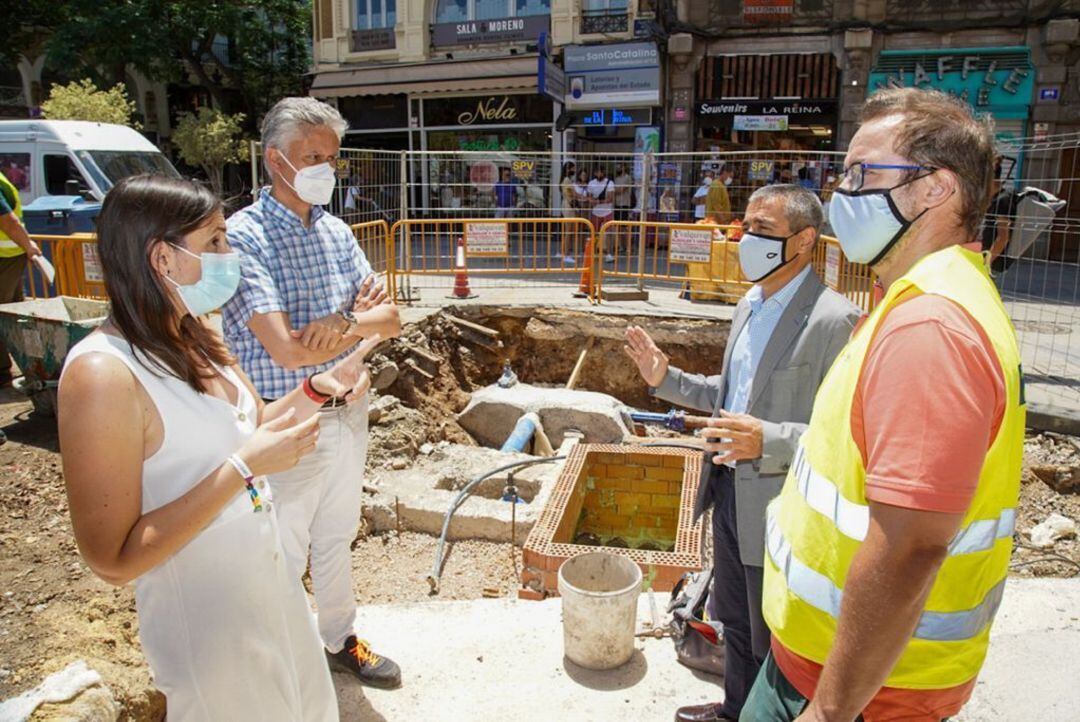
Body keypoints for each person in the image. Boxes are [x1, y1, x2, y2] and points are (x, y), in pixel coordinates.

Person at [744, 87, 1026, 722]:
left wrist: (831, 709)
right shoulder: (918, 298)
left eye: (862, 174)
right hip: (834, 667)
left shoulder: (930, 327)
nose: (844, 193)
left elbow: (909, 546)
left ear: (934, 190)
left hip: (861, 693)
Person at [58, 174, 384, 720]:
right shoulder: (100, 374)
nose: (228, 253)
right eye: (214, 241)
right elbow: (111, 559)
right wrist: (242, 469)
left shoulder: (198, 336)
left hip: (272, 596)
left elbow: (254, 427)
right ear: (163, 259)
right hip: (209, 631)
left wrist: (318, 390)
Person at [625, 184, 861, 722]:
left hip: (781, 507)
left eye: (763, 230)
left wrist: (770, 440)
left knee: (772, 632)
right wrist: (666, 378)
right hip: (729, 490)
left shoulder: (833, 321)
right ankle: (735, 709)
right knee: (734, 616)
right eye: (745, 225)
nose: (745, 238)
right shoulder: (749, 304)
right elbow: (731, 397)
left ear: (803, 241)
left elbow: (849, 435)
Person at [222, 97, 404, 689]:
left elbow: (393, 319)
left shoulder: (334, 230)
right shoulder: (243, 238)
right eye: (313, 156)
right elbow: (286, 349)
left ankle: (338, 638)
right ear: (276, 160)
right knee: (280, 547)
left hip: (348, 414)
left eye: (332, 157)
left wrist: (343, 325)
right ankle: (280, 659)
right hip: (291, 425)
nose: (326, 167)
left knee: (335, 536)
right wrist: (352, 327)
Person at [0, 169, 43, 386]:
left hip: (5, 257)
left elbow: (8, 221)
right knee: (13, 314)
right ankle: (31, 367)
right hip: (11, 255)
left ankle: (4, 371)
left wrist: (28, 245)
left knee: (6, 314)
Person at [981, 157, 1020, 272]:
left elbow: (1003, 237)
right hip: (990, 259)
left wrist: (986, 263)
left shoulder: (1002, 201)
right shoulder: (996, 198)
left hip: (994, 263)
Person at [587, 166, 616, 261]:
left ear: (603, 173)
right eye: (597, 172)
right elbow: (589, 197)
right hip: (596, 212)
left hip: (607, 211)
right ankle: (594, 252)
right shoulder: (591, 183)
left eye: (600, 172)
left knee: (609, 233)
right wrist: (592, 201)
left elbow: (611, 198)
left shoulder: (610, 183)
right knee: (594, 232)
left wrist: (598, 202)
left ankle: (608, 253)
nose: (599, 174)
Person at [559, 161, 579, 265]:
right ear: (569, 169)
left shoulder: (565, 179)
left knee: (568, 230)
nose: (574, 171)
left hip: (566, 205)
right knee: (569, 231)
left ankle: (564, 251)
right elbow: (572, 194)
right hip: (569, 206)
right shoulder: (567, 180)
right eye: (573, 169)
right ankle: (566, 254)